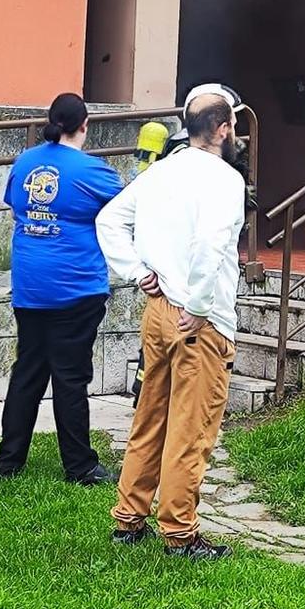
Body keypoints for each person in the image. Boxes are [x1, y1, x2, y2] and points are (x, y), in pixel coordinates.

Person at [97, 85, 246, 560]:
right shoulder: (226, 181)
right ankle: (180, 532)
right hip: (197, 320)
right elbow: (210, 246)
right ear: (222, 128)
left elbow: (109, 220)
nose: (236, 130)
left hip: (159, 312)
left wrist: (139, 273)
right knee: (191, 427)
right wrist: (199, 308)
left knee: (150, 417)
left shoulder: (160, 171)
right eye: (234, 123)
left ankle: (128, 518)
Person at [0, 93, 123, 485]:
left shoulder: (26, 161)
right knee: (70, 376)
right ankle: (80, 466)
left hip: (30, 286)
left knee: (27, 372)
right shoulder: (92, 171)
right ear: (85, 125)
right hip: (75, 287)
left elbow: (15, 207)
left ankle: (9, 461)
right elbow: (130, 207)